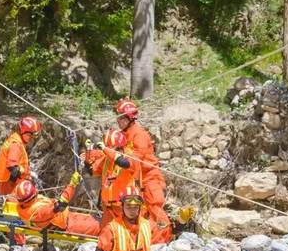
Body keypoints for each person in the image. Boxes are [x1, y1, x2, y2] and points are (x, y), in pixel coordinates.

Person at [114, 98, 172, 243]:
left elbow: (135, 160)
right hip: (139, 180)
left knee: (156, 210)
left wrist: (122, 160)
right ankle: (145, 241)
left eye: (120, 118)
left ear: (129, 118)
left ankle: (162, 242)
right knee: (142, 213)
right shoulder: (126, 134)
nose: (118, 121)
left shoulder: (139, 135)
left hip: (151, 178)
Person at [0, 116, 42, 246]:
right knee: (15, 212)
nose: (32, 138)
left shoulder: (15, 140)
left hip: (8, 181)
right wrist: (27, 173)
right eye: (30, 135)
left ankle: (17, 240)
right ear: (24, 132)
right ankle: (19, 244)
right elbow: (13, 168)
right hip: (9, 183)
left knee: (13, 210)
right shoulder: (16, 145)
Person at [83, 129, 140, 228]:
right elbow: (90, 171)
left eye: (110, 148)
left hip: (124, 207)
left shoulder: (130, 158)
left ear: (119, 147)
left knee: (124, 234)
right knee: (107, 233)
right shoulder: (107, 159)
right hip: (108, 207)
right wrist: (88, 152)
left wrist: (106, 149)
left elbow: (124, 163)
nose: (107, 151)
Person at [15, 172, 100, 237]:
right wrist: (72, 185)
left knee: (97, 219)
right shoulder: (38, 212)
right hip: (66, 226)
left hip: (68, 217)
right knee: (99, 227)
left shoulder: (23, 206)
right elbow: (60, 205)